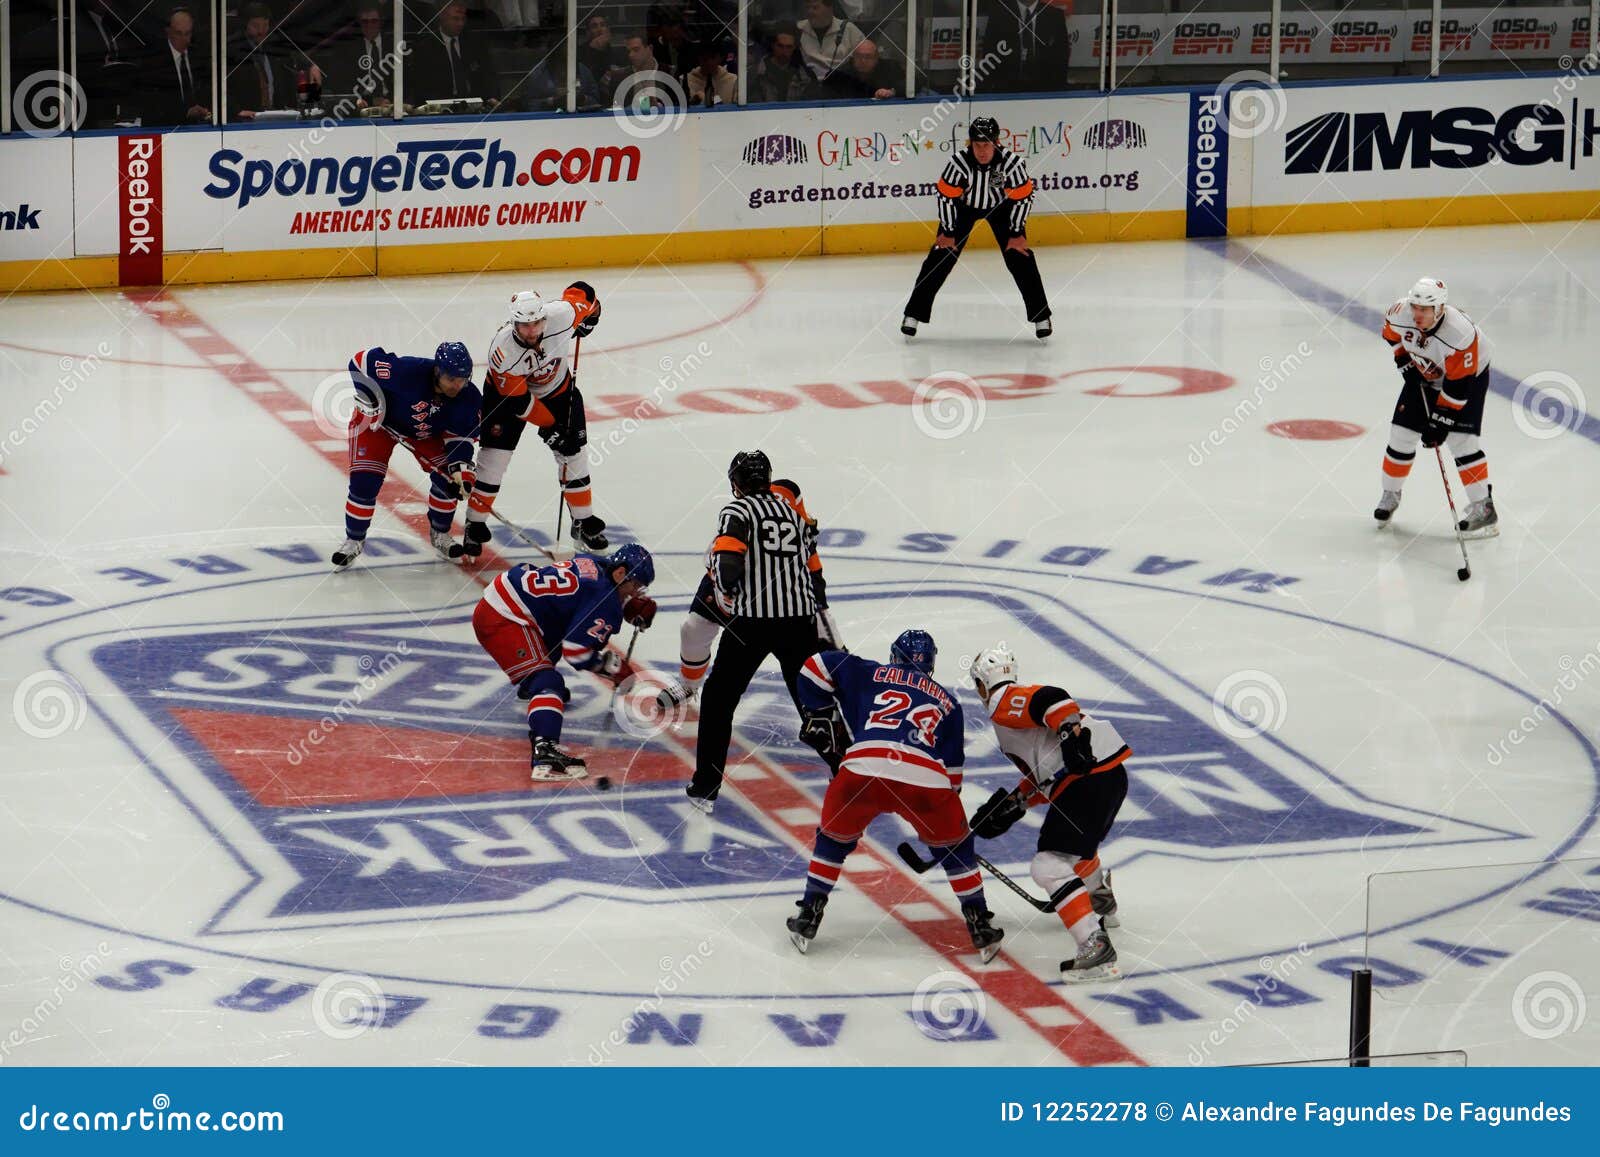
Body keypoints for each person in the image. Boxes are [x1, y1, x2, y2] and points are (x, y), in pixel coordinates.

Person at [786, 630, 1003, 962]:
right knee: (958, 849)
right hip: (924, 778)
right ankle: (979, 922)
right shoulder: (949, 701)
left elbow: (813, 667)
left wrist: (821, 715)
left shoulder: (867, 670)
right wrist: (947, 840)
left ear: (894, 656)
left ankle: (810, 912)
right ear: (931, 663)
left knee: (832, 841)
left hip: (862, 767)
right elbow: (954, 781)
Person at [967, 645, 1127, 981]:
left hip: (1088, 777)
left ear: (982, 684)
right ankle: (1099, 899)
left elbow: (1053, 699)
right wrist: (1014, 803)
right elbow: (1047, 770)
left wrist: (1070, 736)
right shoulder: (1014, 716)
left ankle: (1095, 949)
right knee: (1074, 850)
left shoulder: (1001, 702)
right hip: (1108, 775)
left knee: (1049, 865)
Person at [686, 451, 826, 813]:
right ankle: (845, 772)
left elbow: (729, 562)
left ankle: (706, 785)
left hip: (753, 622)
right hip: (800, 619)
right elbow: (812, 567)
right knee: (813, 700)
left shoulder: (738, 511)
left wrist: (727, 591)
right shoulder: (793, 513)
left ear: (736, 484)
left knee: (718, 700)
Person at [656, 469, 841, 711]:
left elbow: (808, 545)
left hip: (771, 589)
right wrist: (723, 588)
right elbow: (725, 556)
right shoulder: (746, 511)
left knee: (811, 647)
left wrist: (818, 594)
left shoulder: (788, 492)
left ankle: (826, 702)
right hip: (726, 577)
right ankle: (689, 685)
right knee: (693, 629)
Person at [474, 546, 658, 779]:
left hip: (509, 601)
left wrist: (622, 605)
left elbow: (576, 604)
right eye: (636, 585)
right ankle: (545, 751)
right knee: (549, 682)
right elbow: (576, 653)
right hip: (503, 616)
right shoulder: (604, 599)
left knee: (556, 633)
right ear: (620, 574)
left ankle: (532, 686)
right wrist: (611, 668)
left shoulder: (595, 563)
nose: (637, 592)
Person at [465, 284, 608, 559]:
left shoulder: (563, 316)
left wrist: (591, 318)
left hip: (558, 390)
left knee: (574, 455)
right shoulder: (503, 353)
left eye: (536, 323)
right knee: (494, 460)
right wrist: (551, 429)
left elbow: (584, 293)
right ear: (513, 323)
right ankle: (475, 523)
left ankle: (583, 520)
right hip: (506, 399)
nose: (531, 331)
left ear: (544, 318)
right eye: (523, 325)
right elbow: (521, 403)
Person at [331, 341, 480, 570]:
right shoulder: (407, 371)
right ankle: (354, 539)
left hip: (427, 435)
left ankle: (440, 533)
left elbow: (461, 437)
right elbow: (359, 361)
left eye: (463, 379)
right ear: (438, 371)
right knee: (365, 481)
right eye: (452, 379)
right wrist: (369, 397)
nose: (457, 386)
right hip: (378, 426)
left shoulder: (468, 397)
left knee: (448, 480)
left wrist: (461, 471)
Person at [902, 117, 1052, 339]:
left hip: (1002, 209)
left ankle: (1041, 316)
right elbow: (945, 197)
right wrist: (948, 231)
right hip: (964, 209)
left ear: (996, 142)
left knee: (1020, 257)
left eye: (987, 145)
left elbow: (1023, 198)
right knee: (940, 256)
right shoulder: (957, 164)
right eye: (977, 145)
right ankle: (913, 314)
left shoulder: (1013, 164)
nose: (982, 151)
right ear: (970, 143)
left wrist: (1017, 232)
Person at [1375, 278, 1498, 536]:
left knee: (1461, 441)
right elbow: (1390, 334)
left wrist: (1440, 422)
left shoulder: (1460, 333)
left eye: (1425, 309)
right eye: (1415, 306)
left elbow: (1458, 387)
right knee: (1401, 434)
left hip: (1468, 378)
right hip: (1426, 370)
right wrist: (1403, 360)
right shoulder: (1400, 313)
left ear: (1439, 309)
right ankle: (1390, 494)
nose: (1417, 313)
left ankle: (1483, 508)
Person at [410, 0, 500, 105]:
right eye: (455, 19)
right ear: (442, 17)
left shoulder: (475, 42)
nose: (460, 24)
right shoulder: (425, 46)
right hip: (439, 104)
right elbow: (421, 84)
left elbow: (489, 74)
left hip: (474, 103)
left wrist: (492, 97)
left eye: (463, 19)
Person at [228, 3, 305, 120]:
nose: (261, 31)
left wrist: (311, 65)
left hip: (275, 116)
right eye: (255, 25)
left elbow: (294, 55)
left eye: (265, 25)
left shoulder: (273, 46)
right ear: (245, 25)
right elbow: (214, 85)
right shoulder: (231, 49)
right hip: (244, 120)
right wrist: (234, 110)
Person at [982, 0, 1072, 94]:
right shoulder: (999, 14)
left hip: (1045, 92)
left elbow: (1062, 61)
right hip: (1006, 92)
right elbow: (989, 56)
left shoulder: (1055, 16)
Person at [145, 6, 211, 126]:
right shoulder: (154, 61)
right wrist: (186, 112)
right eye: (178, 33)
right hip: (165, 129)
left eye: (187, 33)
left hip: (200, 128)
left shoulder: (198, 56)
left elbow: (210, 87)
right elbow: (154, 105)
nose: (184, 39)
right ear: (168, 32)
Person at [337, 4, 395, 110]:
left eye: (374, 21)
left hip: (390, 103)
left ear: (380, 22)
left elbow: (405, 82)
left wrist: (391, 100)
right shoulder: (350, 49)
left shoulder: (393, 46)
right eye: (365, 21)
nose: (369, 25)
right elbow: (343, 82)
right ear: (359, 24)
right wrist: (355, 99)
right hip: (361, 103)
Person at [796, 0, 862, 88]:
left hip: (841, 86)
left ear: (829, 9)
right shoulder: (798, 29)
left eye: (815, 7)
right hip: (807, 86)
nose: (810, 12)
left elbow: (866, 56)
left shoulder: (849, 30)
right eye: (808, 8)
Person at [829, 38, 900, 100]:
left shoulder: (891, 68)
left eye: (868, 57)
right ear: (853, 57)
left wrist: (891, 92)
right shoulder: (840, 75)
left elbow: (905, 87)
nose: (863, 61)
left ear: (877, 58)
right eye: (858, 56)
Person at [750, 30, 810, 103]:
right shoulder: (755, 73)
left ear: (794, 48)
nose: (784, 51)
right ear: (773, 45)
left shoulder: (805, 75)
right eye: (780, 46)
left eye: (789, 47)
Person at [686, 42, 735, 106]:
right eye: (705, 59)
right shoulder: (687, 81)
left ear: (720, 58)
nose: (709, 62)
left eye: (712, 57)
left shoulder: (733, 80)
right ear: (699, 59)